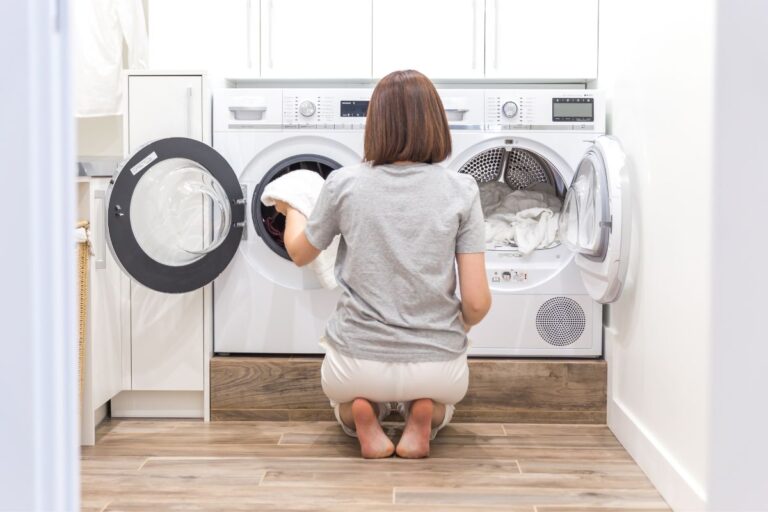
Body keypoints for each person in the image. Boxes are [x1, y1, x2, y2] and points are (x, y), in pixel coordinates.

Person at [273, 69, 491, 459]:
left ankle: (362, 413)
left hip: (355, 362)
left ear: (374, 125)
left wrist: (292, 207)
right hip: (437, 365)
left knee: (345, 400)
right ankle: (425, 413)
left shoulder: (343, 184)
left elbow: (300, 253)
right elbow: (476, 302)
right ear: (436, 123)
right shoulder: (462, 189)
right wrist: (451, 326)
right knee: (440, 398)